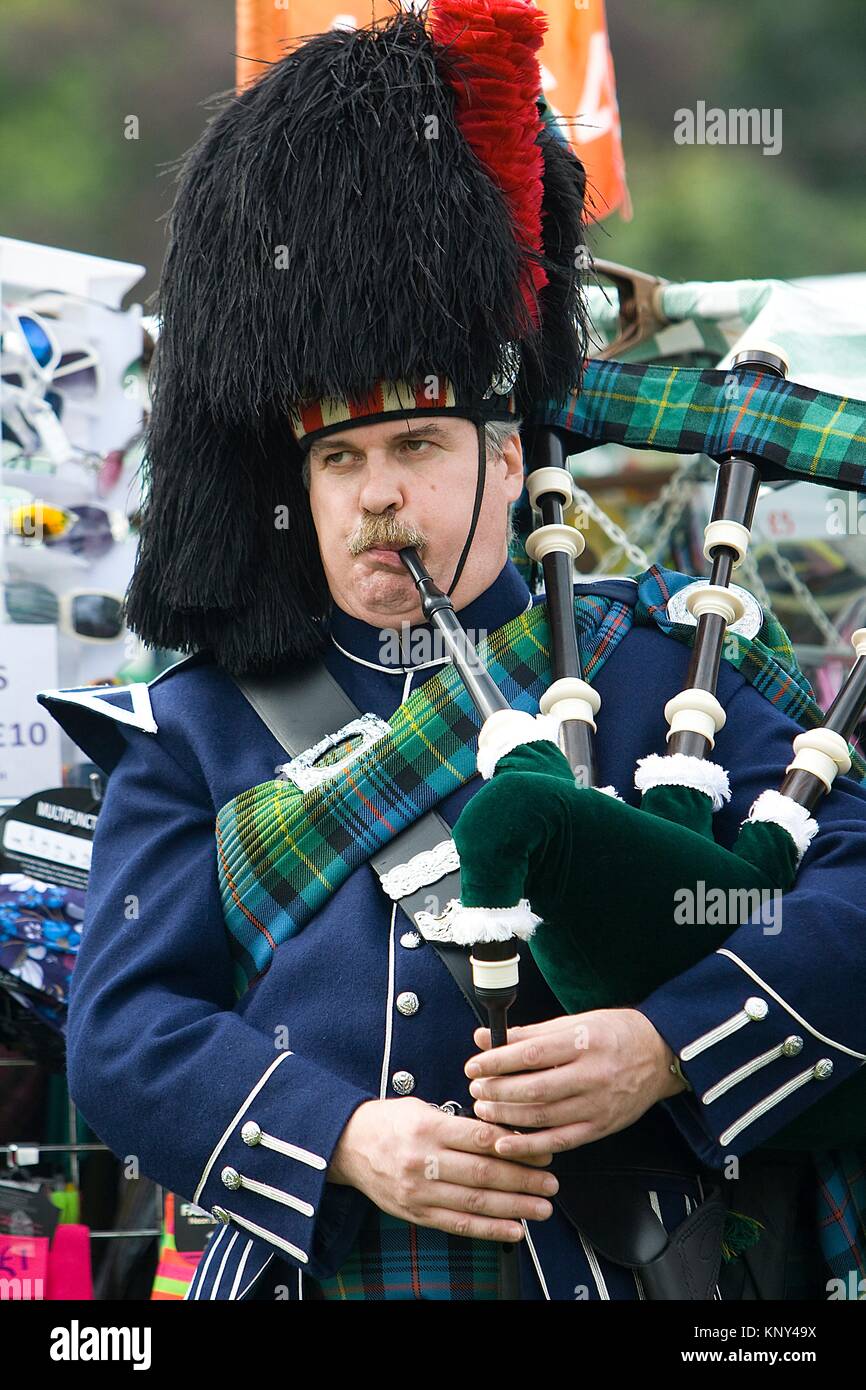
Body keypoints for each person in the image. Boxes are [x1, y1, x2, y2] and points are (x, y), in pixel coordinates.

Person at [40, 1, 866, 1301]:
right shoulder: (200, 726)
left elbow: (851, 895)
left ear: (503, 453)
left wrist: (666, 1043)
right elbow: (128, 1030)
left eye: (416, 448)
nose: (375, 497)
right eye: (338, 459)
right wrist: (344, 1137)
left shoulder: (663, 664)